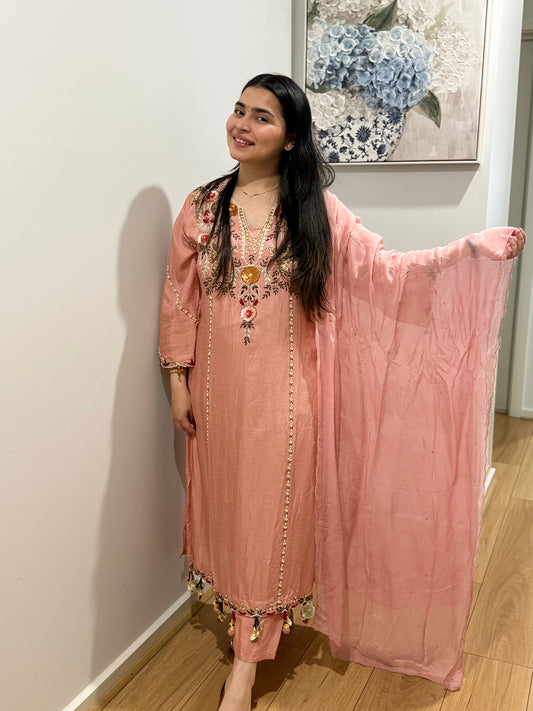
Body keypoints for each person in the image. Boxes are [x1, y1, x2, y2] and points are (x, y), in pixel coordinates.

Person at [159, 73, 525, 711]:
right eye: (239, 110)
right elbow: (178, 296)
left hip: (289, 401)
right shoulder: (201, 207)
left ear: (291, 138)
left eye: (262, 117)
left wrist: (467, 250)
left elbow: (387, 270)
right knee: (231, 511)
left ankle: (246, 664)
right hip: (217, 398)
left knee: (271, 518)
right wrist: (176, 378)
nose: (242, 124)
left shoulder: (316, 212)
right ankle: (246, 626)